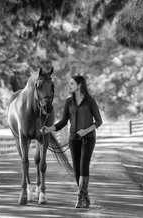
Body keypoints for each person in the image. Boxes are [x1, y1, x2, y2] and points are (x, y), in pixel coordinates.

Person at [41, 75, 102, 208]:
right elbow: (63, 122)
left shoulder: (90, 101)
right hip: (73, 139)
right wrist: (49, 129)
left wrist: (86, 131)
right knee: (76, 170)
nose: (70, 86)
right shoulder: (69, 102)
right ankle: (84, 196)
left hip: (88, 138)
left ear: (80, 85)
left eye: (72, 84)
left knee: (83, 166)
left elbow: (98, 121)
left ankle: (80, 198)